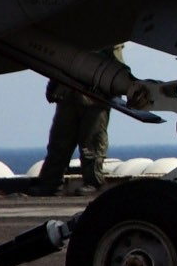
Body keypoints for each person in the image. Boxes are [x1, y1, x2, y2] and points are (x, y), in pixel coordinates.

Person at [33, 48, 125, 195]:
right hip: (68, 93)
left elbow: (117, 63)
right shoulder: (73, 30)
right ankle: (50, 182)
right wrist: (53, 85)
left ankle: (93, 182)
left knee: (92, 143)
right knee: (59, 141)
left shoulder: (108, 32)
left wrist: (115, 90)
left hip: (95, 97)